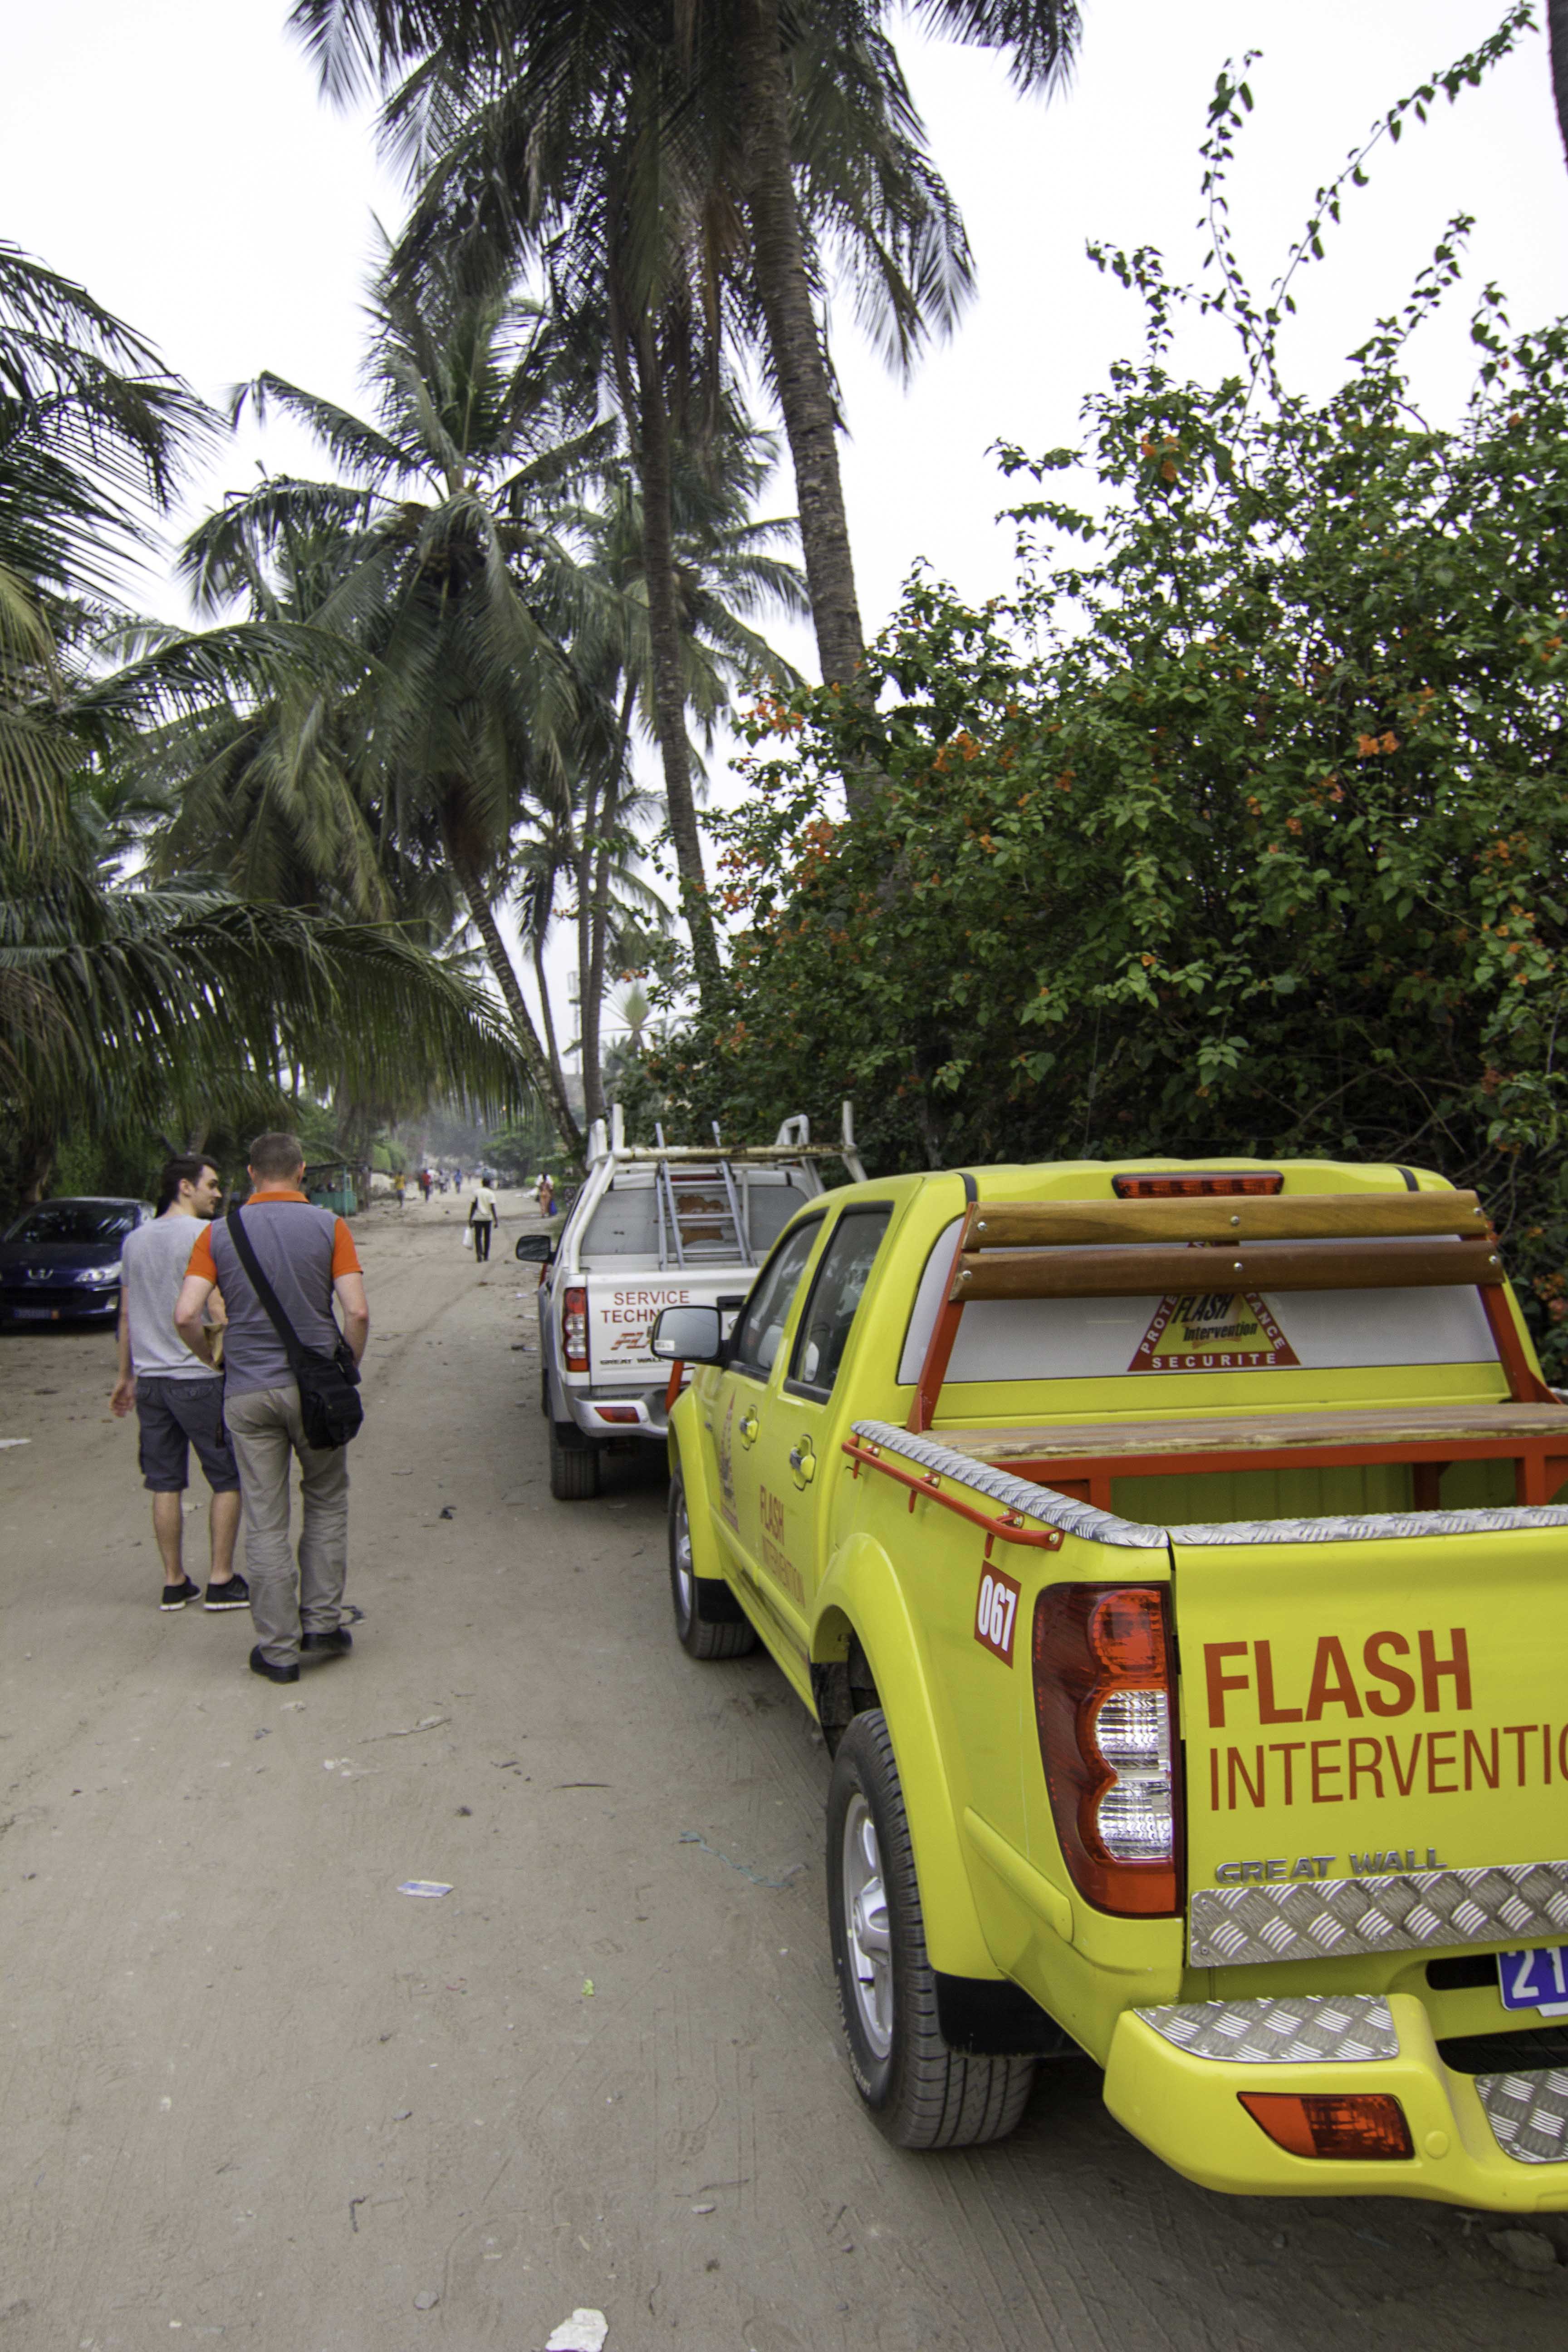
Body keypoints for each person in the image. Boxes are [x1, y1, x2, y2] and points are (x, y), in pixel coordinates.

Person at [174, 1132, 369, 1686]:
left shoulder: (218, 1234)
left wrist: (217, 1360)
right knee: (326, 1500)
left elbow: (186, 1314)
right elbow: (357, 1313)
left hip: (248, 1393)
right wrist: (344, 1373)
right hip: (316, 1397)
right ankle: (323, 1625)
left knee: (265, 1518)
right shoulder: (331, 1227)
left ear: (251, 1173)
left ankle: (278, 1651)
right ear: (302, 1171)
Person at [110, 1156, 247, 1614]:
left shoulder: (134, 1240)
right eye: (212, 1185)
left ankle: (174, 1583)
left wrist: (125, 1377)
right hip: (199, 1379)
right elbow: (217, 1308)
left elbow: (126, 1315)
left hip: (151, 1381)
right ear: (185, 1187)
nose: (217, 1194)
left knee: (165, 1483)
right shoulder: (208, 1235)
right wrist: (228, 1361)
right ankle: (221, 1579)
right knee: (228, 1478)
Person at [469, 1174, 499, 1263]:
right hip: (488, 1218)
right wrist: (496, 1220)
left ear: (482, 1183)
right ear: (489, 1184)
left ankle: (479, 1253)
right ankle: (486, 1256)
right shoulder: (491, 1193)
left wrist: (470, 1219)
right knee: (487, 1237)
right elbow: (493, 1208)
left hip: (478, 1218)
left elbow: (473, 1206)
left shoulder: (476, 1192)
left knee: (478, 1237)